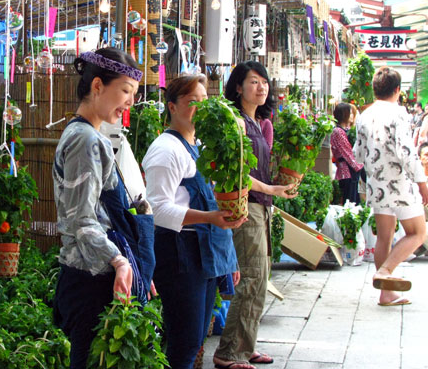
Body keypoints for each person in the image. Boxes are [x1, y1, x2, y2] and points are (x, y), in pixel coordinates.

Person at [52, 48, 154, 369]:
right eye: (125, 90)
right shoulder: (85, 140)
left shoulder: (85, 134)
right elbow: (83, 221)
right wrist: (121, 262)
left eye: (133, 94)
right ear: (97, 86)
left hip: (88, 275)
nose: (129, 101)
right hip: (91, 279)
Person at [142, 74, 246, 369]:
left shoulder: (199, 145)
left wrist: (229, 258)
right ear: (172, 107)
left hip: (204, 254)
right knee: (184, 340)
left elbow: (213, 200)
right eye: (191, 102)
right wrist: (210, 218)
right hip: (179, 253)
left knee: (197, 337)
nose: (199, 108)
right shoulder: (165, 150)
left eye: (203, 102)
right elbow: (158, 210)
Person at [213, 61, 297, 369]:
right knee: (251, 277)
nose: (261, 87)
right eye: (253, 82)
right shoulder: (235, 122)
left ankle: (245, 346)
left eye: (264, 82)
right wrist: (273, 189)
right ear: (238, 87)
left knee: (260, 278)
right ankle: (229, 352)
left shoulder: (257, 122)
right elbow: (237, 175)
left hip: (261, 205)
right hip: (246, 207)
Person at [353, 66, 428, 307]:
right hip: (399, 183)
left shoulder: (364, 115)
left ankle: (386, 294)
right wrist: (422, 182)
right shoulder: (399, 113)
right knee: (418, 233)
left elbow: (359, 154)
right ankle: (385, 271)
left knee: (384, 237)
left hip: (377, 184)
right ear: (397, 90)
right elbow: (406, 152)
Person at [330, 103, 364, 204]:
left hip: (352, 171)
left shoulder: (347, 130)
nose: (352, 116)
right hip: (347, 172)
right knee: (350, 202)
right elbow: (347, 153)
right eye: (350, 113)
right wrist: (360, 166)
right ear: (344, 114)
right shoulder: (338, 132)